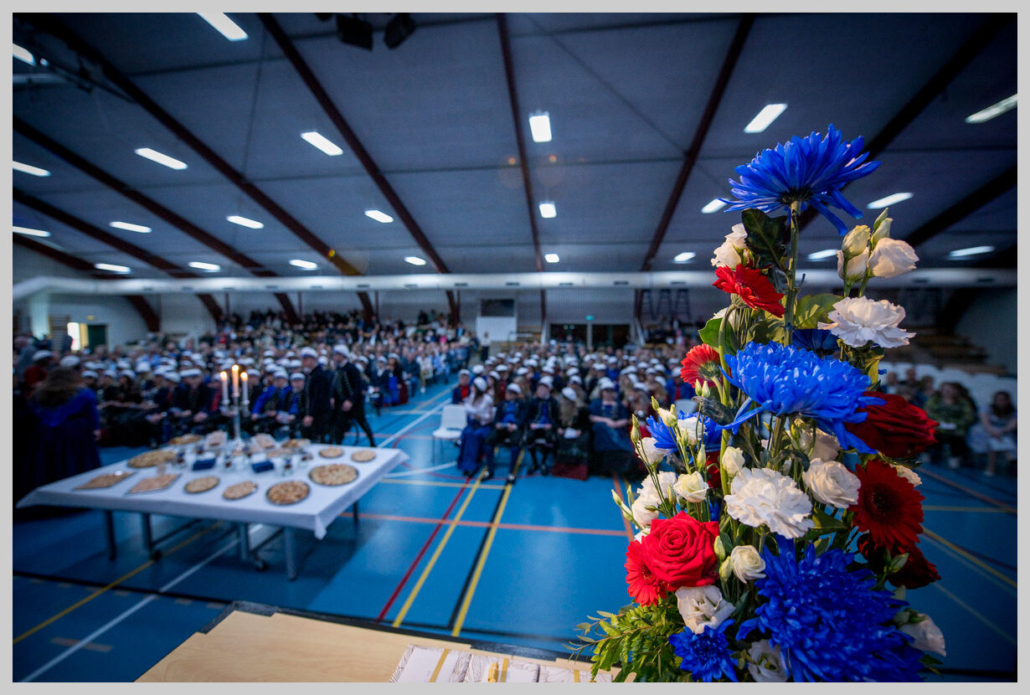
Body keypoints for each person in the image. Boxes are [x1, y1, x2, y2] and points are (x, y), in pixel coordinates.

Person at [18, 367, 101, 502]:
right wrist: (94, 429)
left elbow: (33, 412)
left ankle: (47, 497)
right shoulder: (83, 393)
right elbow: (92, 414)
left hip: (44, 432)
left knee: (47, 464)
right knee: (75, 461)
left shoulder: (38, 394)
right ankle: (77, 496)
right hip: (74, 431)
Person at [925, 382, 977, 469]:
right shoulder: (934, 400)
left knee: (958, 438)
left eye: (950, 390)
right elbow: (928, 413)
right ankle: (928, 455)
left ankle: (954, 457)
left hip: (955, 428)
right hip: (937, 426)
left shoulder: (963, 402)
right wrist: (939, 422)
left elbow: (968, 416)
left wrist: (955, 424)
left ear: (955, 391)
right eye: (945, 390)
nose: (947, 392)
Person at [331, 346, 376, 447]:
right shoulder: (338, 369)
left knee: (362, 422)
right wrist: (333, 397)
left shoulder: (351, 368)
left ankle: (372, 443)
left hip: (355, 403)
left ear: (343, 355)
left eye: (337, 354)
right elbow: (336, 386)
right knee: (339, 426)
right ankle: (338, 445)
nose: (334, 357)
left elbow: (358, 386)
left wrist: (351, 400)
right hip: (342, 403)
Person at [484, 383, 527, 483]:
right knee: (489, 441)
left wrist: (515, 425)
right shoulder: (501, 404)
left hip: (515, 428)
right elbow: (496, 418)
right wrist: (497, 424)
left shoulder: (522, 404)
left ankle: (511, 472)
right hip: (502, 428)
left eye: (510, 393)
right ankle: (490, 469)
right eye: (507, 393)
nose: (507, 395)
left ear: (515, 395)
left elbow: (523, 418)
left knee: (515, 445)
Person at [589, 378, 633, 475]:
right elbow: (592, 417)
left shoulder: (619, 404)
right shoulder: (596, 403)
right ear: (602, 392)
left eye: (610, 391)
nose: (608, 393)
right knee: (601, 429)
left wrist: (615, 424)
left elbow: (625, 419)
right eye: (606, 391)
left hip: (617, 429)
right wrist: (606, 420)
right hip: (601, 429)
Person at [456, 377, 494, 478]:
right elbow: (469, 410)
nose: (471, 388)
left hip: (484, 425)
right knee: (466, 433)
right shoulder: (472, 397)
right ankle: (465, 463)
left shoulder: (487, 399)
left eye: (473, 386)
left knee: (474, 436)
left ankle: (473, 464)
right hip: (473, 424)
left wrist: (479, 416)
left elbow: (489, 417)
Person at [523, 377, 561, 475]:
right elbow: (527, 417)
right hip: (535, 426)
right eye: (539, 388)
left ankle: (543, 462)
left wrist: (551, 425)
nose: (540, 390)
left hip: (547, 427)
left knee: (549, 437)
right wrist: (531, 424)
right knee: (529, 437)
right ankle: (534, 462)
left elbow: (557, 418)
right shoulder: (533, 401)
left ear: (548, 390)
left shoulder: (554, 402)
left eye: (543, 388)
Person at [553, 386, 592, 480]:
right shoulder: (559, 409)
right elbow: (556, 422)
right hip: (565, 431)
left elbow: (586, 424)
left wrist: (580, 430)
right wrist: (559, 428)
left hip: (577, 431)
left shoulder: (581, 410)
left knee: (583, 441)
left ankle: (579, 468)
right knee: (558, 439)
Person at [980, 391, 1017, 477]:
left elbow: (1011, 425)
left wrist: (1001, 432)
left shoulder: (1014, 412)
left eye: (1004, 400)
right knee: (992, 443)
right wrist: (994, 432)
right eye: (999, 399)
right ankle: (1005, 457)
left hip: (1004, 432)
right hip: (986, 431)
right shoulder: (986, 408)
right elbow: (986, 424)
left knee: (1004, 441)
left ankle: (1009, 457)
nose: (1002, 402)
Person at [300, 347, 333, 442]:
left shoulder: (319, 375)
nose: (304, 362)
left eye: (306, 359)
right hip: (314, 413)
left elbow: (318, 397)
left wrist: (311, 415)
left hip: (319, 415)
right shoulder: (311, 375)